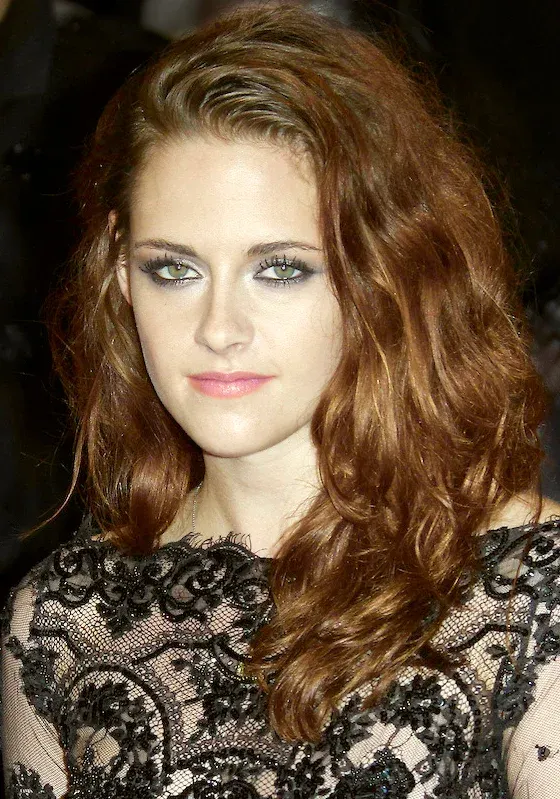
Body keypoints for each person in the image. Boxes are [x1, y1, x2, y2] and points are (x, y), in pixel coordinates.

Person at [2, 4, 560, 797]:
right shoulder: (61, 617)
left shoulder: (528, 594)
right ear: (122, 273)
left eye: (281, 269)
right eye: (174, 269)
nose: (218, 328)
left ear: (379, 274)